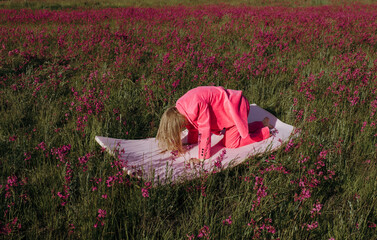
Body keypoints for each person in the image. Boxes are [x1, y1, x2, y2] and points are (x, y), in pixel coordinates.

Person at [156, 86, 272, 162]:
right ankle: (260, 124)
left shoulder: (196, 106)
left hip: (236, 107)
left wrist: (202, 157)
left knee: (230, 143)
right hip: (228, 106)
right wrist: (191, 141)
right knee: (236, 131)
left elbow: (204, 132)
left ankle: (265, 132)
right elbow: (192, 127)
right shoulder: (181, 108)